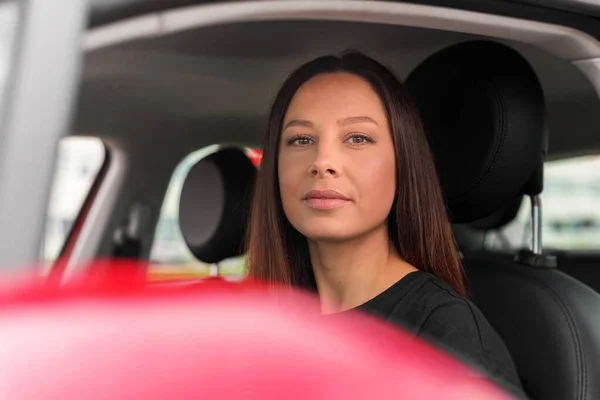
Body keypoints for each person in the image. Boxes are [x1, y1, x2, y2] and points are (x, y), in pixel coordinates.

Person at [245, 51, 526, 398]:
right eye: (301, 140)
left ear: (402, 163)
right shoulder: (260, 325)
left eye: (357, 138)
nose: (323, 162)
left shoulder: (445, 332)